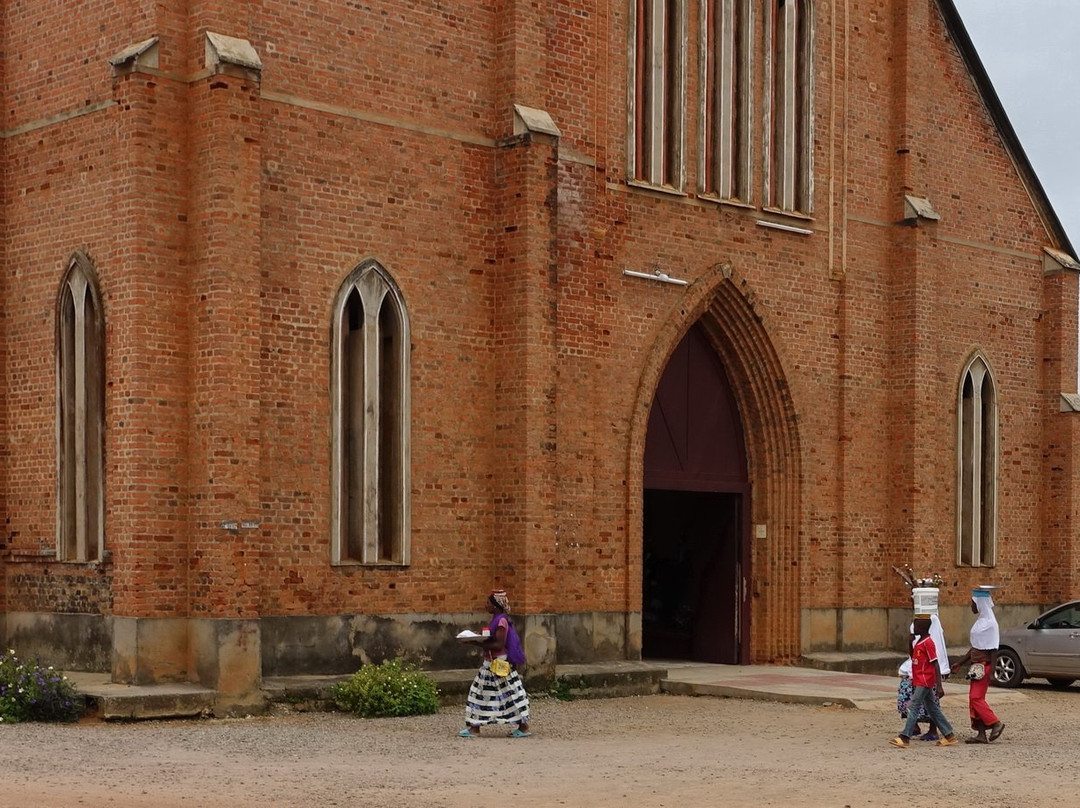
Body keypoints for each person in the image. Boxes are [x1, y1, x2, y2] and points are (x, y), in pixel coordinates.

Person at [459, 588, 532, 738]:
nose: (486, 606)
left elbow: (498, 644)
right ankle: (522, 726)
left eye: (488, 603)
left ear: (495, 606)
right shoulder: (499, 620)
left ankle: (475, 728)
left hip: (496, 664)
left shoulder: (500, 621)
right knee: (509, 693)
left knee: (481, 693)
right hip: (496, 664)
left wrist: (475, 642)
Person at [890, 615, 959, 747]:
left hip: (925, 680)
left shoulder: (928, 643)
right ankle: (949, 735)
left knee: (913, 706)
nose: (913, 629)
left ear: (921, 628)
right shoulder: (920, 642)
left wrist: (939, 685)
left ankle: (905, 737)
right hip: (919, 680)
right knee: (933, 708)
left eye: (915, 626)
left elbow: (935, 663)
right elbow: (913, 657)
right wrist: (910, 643)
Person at [953, 588, 1005, 743]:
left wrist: (992, 672)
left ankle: (996, 723)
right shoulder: (981, 621)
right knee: (975, 699)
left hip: (984, 666)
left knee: (975, 698)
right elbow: (976, 646)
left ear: (980, 604)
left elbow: (994, 648)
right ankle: (981, 734)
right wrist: (960, 663)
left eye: (972, 603)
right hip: (976, 666)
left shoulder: (990, 624)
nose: (971, 607)